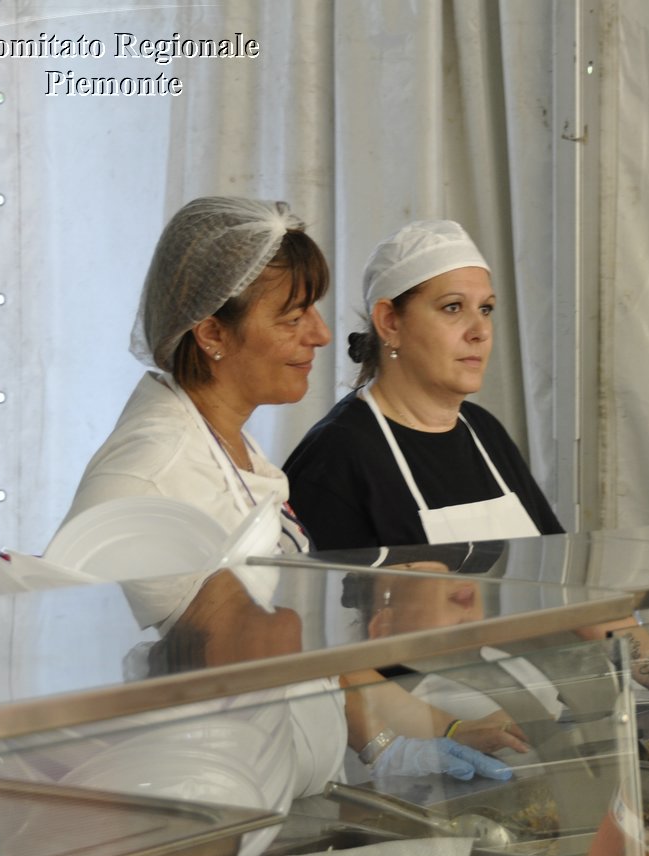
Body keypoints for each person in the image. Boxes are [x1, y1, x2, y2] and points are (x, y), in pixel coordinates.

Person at [54, 195, 511, 783]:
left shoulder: (234, 451)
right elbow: (80, 675)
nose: (321, 335)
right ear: (213, 332)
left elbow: (289, 647)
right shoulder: (150, 471)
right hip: (197, 798)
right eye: (293, 318)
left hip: (270, 790)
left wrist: (407, 736)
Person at [287, 219, 649, 709]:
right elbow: (327, 649)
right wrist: (418, 739)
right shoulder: (336, 457)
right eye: (453, 308)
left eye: (487, 310)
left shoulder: (482, 433)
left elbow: (569, 591)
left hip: (532, 710)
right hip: (426, 733)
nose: (479, 332)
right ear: (389, 321)